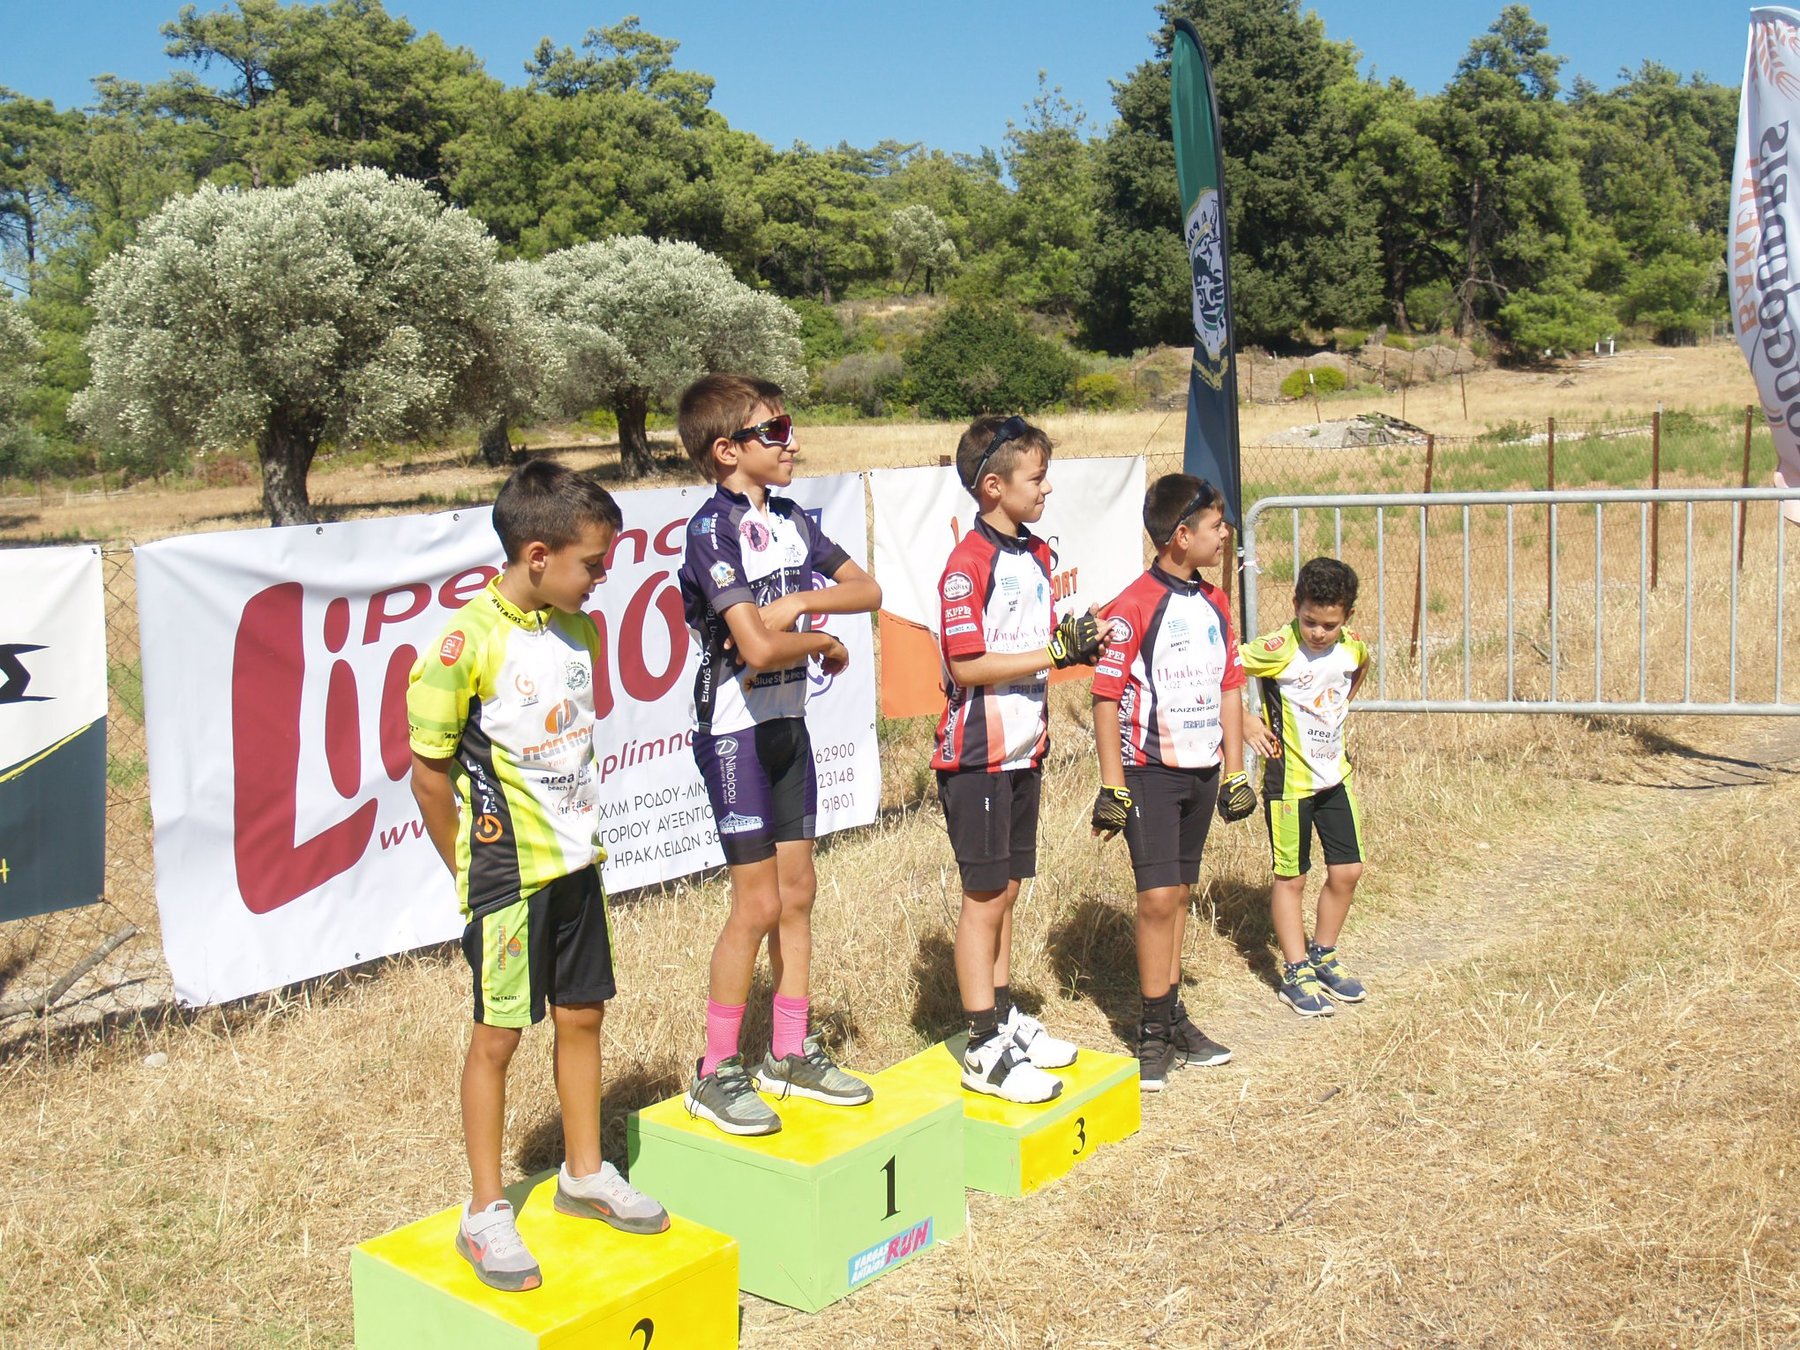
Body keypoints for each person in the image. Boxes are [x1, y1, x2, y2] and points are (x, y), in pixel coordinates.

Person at [408, 459, 668, 1294]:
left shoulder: (579, 629)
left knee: (583, 1015)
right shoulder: (464, 644)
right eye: (592, 563)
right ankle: (485, 1211)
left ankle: (584, 1174)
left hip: (576, 866)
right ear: (536, 555)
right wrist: (470, 866)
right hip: (507, 881)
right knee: (498, 1037)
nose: (602, 578)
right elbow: (428, 776)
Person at [676, 373, 883, 1136]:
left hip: (788, 727)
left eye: (789, 426)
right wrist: (817, 639)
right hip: (734, 734)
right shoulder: (712, 530)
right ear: (726, 451)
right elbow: (756, 649)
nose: (791, 442)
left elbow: (868, 590)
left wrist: (802, 606)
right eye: (775, 431)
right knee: (757, 904)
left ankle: (788, 1052)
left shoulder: (793, 518)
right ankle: (715, 1070)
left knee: (798, 894)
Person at [933, 413, 1105, 1104]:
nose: (1047, 489)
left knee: (1006, 891)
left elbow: (1034, 641)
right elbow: (967, 664)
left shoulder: (1036, 554)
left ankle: (1003, 1019)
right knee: (982, 899)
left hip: (1024, 749)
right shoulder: (965, 565)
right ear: (994, 487)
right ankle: (982, 1046)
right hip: (977, 756)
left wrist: (1075, 638)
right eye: (1037, 478)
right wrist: (1055, 653)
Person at [1090, 474, 1269, 1090]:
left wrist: (1236, 770)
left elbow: (1230, 686)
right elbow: (1105, 698)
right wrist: (1112, 784)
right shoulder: (1134, 605)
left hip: (1204, 769)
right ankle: (1150, 1031)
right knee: (1157, 898)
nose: (1225, 535)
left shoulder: (1217, 602)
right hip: (1149, 772)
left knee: (1180, 894)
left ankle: (1172, 1018)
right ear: (1181, 536)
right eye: (1216, 526)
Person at [1239, 556, 1371, 1017]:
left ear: (1347, 617)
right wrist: (1244, 719)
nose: (1318, 632)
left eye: (1329, 625)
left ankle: (1323, 954)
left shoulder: (1352, 646)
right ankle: (1295, 971)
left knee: (1348, 871)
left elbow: (1361, 666)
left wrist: (1340, 707)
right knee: (1291, 878)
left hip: (1336, 778)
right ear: (1296, 605)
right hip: (1290, 785)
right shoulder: (1278, 647)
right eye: (1310, 621)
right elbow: (1221, 669)